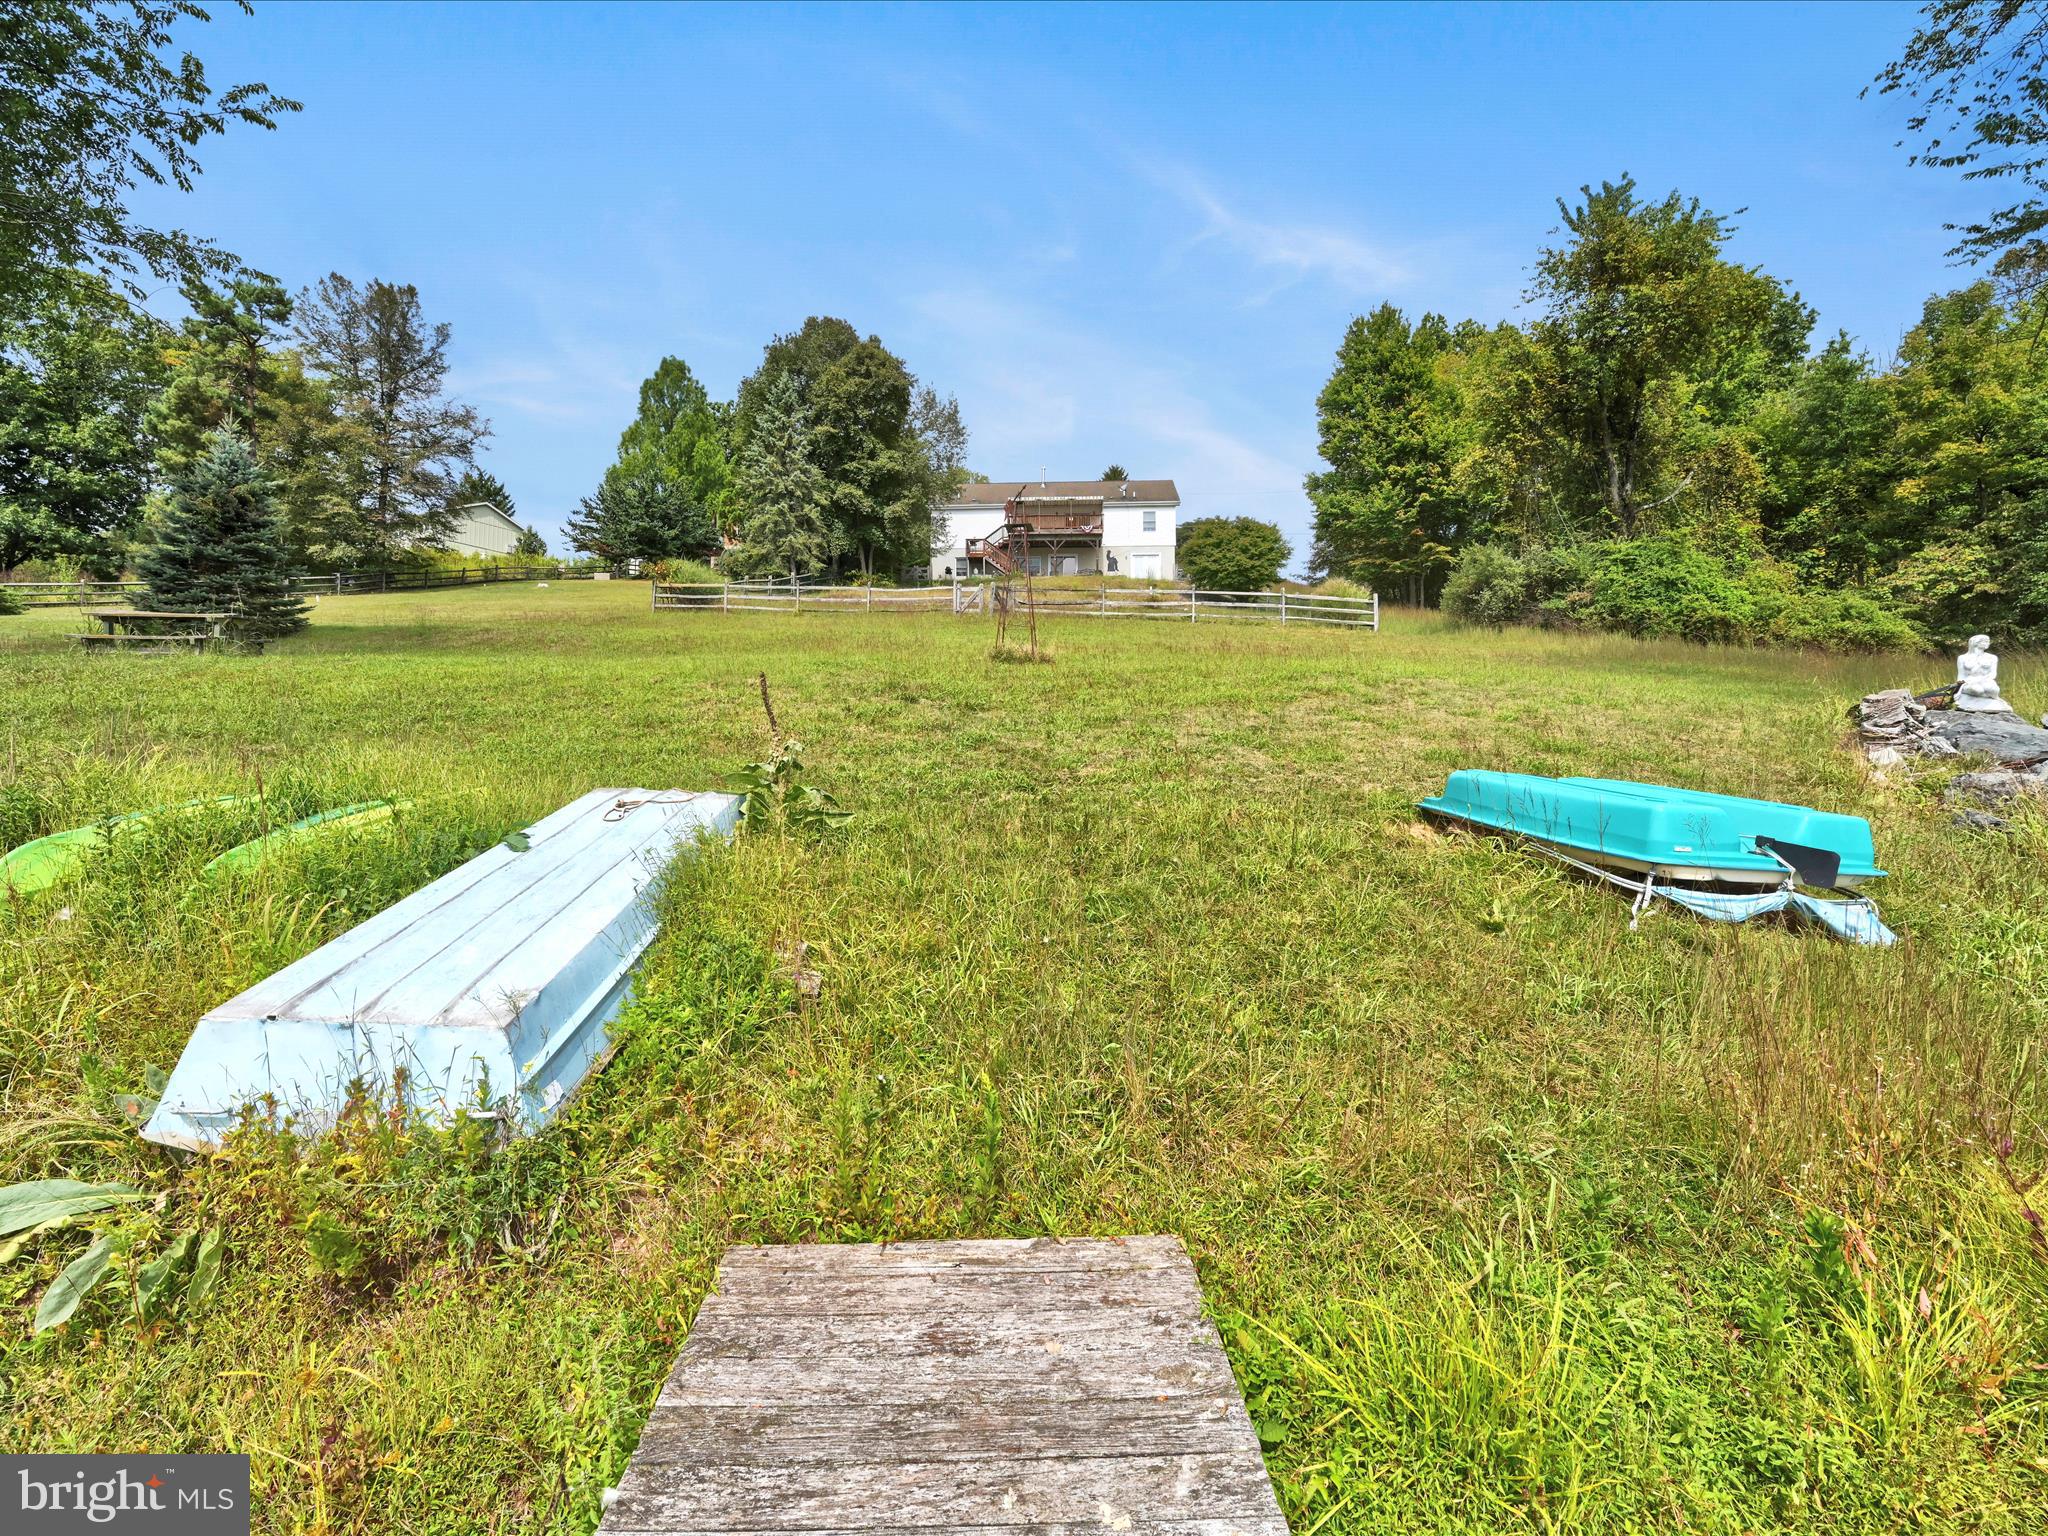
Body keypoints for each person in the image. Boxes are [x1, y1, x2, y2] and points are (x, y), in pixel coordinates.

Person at [1955, 634, 2014, 714]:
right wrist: (1960, 687)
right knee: (1977, 690)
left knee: (1993, 689)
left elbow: (1993, 674)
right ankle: (1976, 699)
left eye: (1988, 641)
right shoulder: (1962, 658)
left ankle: (1991, 700)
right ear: (1976, 643)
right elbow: (1961, 675)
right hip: (1970, 681)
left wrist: (1983, 680)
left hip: (1986, 680)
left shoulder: (1992, 657)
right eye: (1985, 641)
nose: (1988, 643)